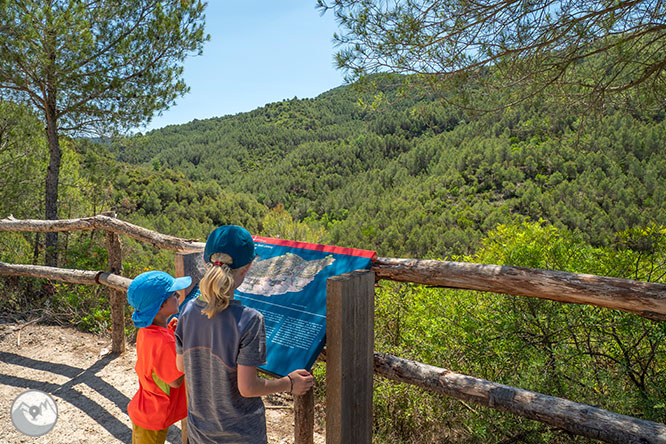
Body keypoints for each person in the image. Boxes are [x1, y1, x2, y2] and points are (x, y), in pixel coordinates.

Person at [175, 225, 314, 444]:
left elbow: (181, 367)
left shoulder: (188, 310)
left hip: (200, 432)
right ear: (248, 267)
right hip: (241, 435)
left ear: (205, 262)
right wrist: (289, 383)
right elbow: (248, 388)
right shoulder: (250, 320)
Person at [127, 270, 192, 444]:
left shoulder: (147, 330)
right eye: (173, 294)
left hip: (146, 407)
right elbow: (175, 380)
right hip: (153, 416)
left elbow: (157, 352)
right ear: (160, 306)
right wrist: (186, 348)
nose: (178, 295)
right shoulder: (165, 341)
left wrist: (171, 332)